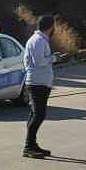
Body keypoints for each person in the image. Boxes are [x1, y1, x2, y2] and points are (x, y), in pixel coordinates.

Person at [22, 13, 56, 159]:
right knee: (38, 114)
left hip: (41, 82)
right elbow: (39, 61)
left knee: (35, 114)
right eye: (54, 26)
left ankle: (32, 144)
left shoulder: (41, 40)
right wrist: (54, 58)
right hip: (37, 83)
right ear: (50, 27)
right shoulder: (38, 41)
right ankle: (28, 147)